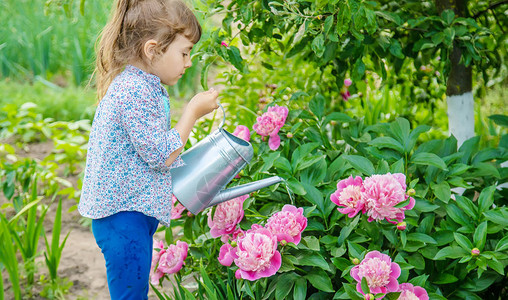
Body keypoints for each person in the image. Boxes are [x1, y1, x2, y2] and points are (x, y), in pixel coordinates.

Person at [78, 0, 219, 298]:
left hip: (127, 214)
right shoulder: (135, 91)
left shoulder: (144, 85)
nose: (189, 61)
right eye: (185, 52)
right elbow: (160, 155)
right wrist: (192, 112)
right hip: (123, 218)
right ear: (152, 49)